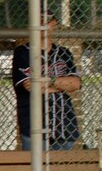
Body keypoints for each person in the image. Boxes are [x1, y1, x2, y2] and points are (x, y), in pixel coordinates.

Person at [12, 8, 81, 151]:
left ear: (54, 23)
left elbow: (75, 84)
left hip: (64, 124)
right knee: (34, 170)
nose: (43, 25)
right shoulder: (23, 53)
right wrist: (61, 84)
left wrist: (46, 81)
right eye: (39, 21)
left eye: (47, 21)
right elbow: (30, 86)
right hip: (34, 125)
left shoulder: (64, 53)